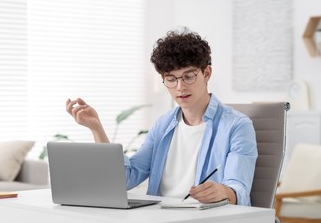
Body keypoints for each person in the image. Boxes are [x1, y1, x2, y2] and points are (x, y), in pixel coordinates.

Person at [66, 28, 257, 205]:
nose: (180, 87)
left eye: (188, 76)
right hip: (160, 219)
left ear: (206, 73)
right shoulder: (163, 125)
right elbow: (126, 177)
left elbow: (239, 189)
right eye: (171, 79)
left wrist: (224, 192)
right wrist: (96, 128)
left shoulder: (236, 126)